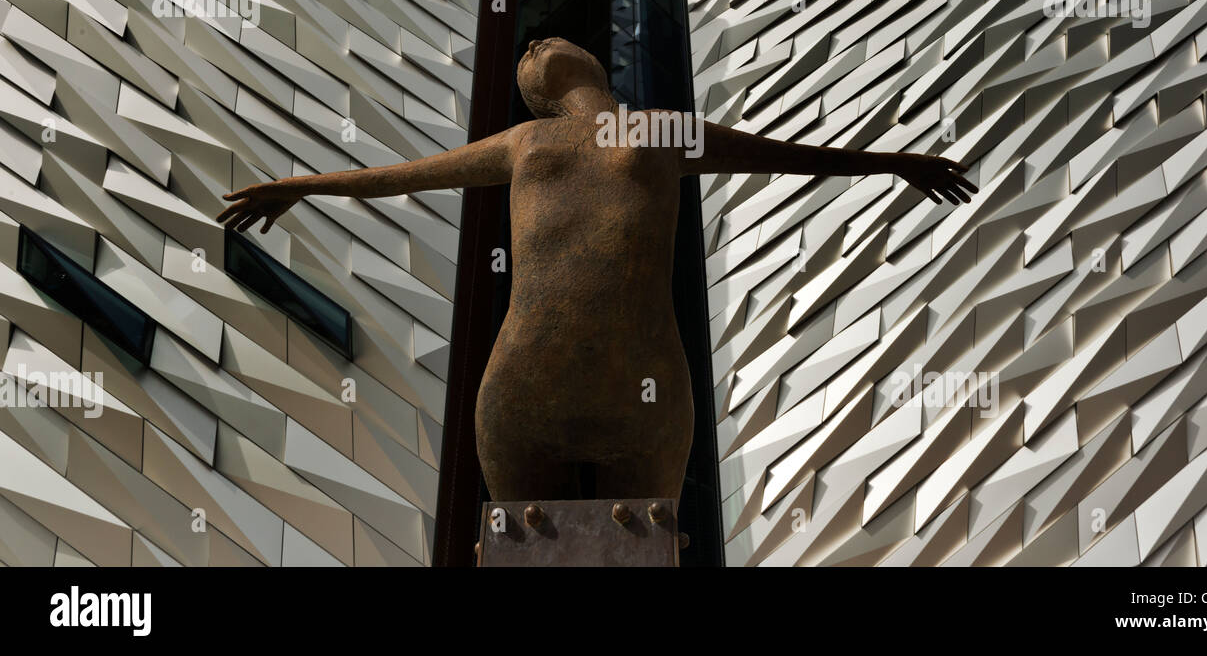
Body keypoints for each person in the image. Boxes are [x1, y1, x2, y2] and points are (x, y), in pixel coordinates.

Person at [217, 37, 977, 502]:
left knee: (638, 540)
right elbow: (407, 174)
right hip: (527, 383)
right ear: (541, 92)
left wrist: (889, 164)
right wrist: (303, 185)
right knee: (527, 539)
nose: (535, 44)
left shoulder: (658, 129)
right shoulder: (525, 141)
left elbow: (779, 155)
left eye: (542, 43)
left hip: (624, 385)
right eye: (527, 54)